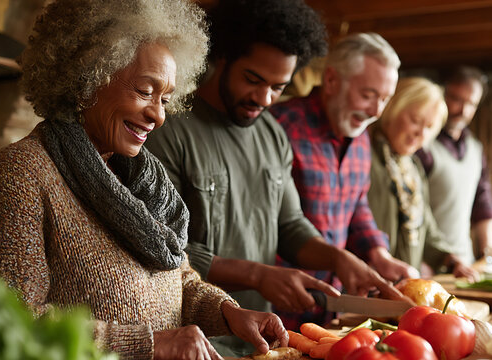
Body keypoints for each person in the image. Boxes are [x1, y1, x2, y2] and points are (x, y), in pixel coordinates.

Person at [0, 0, 288, 359]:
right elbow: (5, 322)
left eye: (166, 99)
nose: (158, 115)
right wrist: (151, 344)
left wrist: (229, 313)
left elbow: (177, 279)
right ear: (87, 79)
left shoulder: (144, 178)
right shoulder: (21, 173)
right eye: (146, 92)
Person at [144, 0, 412, 353]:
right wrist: (257, 275)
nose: (264, 98)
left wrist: (337, 259)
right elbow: (162, 249)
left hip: (261, 339)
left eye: (279, 87)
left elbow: (290, 226)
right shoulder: (169, 129)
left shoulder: (271, 133)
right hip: (192, 340)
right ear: (221, 57)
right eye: (253, 80)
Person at [269, 33, 420, 328]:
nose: (376, 111)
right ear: (332, 80)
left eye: (385, 98)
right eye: (368, 95)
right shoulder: (279, 126)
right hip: (276, 311)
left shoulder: (360, 134)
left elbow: (356, 205)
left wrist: (378, 253)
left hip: (333, 312)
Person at [366, 77, 479, 281]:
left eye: (429, 127)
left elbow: (426, 229)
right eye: (415, 121)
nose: (420, 133)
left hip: (403, 286)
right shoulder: (365, 157)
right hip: (368, 284)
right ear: (393, 109)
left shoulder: (412, 168)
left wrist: (450, 260)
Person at [416, 66, 492, 268]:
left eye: (471, 104)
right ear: (442, 94)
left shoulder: (475, 149)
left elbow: (483, 202)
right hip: (425, 263)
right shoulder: (421, 144)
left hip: (463, 263)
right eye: (456, 99)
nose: (463, 110)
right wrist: (424, 260)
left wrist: (489, 255)